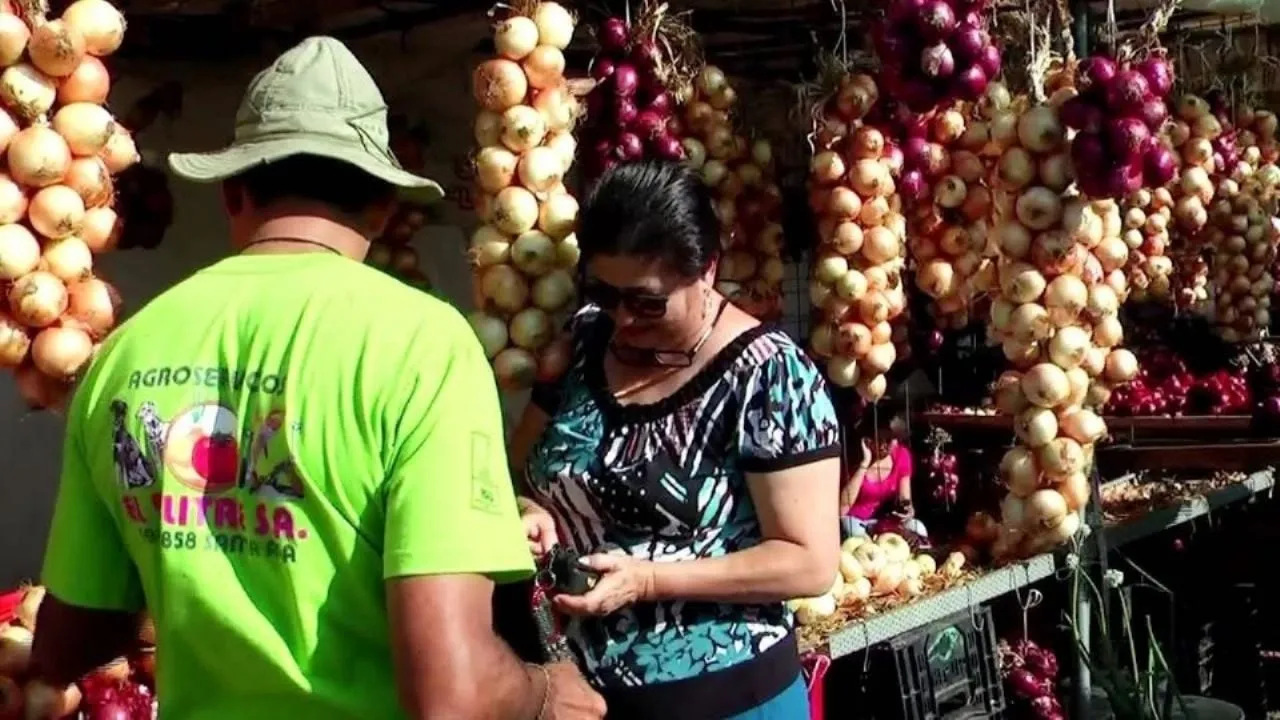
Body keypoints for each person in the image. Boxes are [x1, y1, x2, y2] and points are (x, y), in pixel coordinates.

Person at [29, 36, 605, 720]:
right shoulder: (424, 344)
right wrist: (549, 693)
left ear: (233, 190)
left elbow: (63, 646)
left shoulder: (126, 350)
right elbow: (451, 693)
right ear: (384, 205)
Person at [507, 160, 842, 720]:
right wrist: (527, 509)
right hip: (578, 696)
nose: (623, 318)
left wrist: (648, 580)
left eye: (646, 301)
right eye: (605, 293)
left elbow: (808, 562)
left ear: (707, 269)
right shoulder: (585, 340)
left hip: (726, 702)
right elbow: (517, 469)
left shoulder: (769, 375)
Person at [838, 409, 927, 540]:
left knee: (917, 528)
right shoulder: (854, 458)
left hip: (882, 522)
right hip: (854, 521)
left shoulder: (902, 456)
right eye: (878, 439)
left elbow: (905, 499)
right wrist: (865, 463)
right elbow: (842, 510)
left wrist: (907, 511)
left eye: (889, 440)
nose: (883, 446)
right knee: (854, 532)